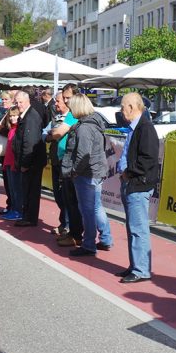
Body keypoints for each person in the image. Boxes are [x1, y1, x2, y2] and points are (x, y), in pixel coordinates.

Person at [61, 93, 112, 257]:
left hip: (87, 174)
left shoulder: (84, 128)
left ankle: (89, 244)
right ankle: (105, 238)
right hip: (96, 171)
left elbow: (83, 154)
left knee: (88, 210)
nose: (70, 110)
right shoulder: (94, 123)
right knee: (96, 207)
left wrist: (75, 172)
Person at [116, 92, 159, 283]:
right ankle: (135, 265)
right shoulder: (136, 127)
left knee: (138, 228)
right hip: (132, 183)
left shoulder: (145, 128)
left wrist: (128, 172)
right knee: (132, 227)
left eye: (123, 107)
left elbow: (148, 159)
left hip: (138, 185)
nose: (121, 110)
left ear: (132, 107)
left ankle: (141, 269)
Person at [51, 83, 84, 246]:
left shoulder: (75, 115)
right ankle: (72, 231)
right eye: (63, 98)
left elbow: (57, 133)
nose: (65, 100)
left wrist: (52, 132)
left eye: (68, 98)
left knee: (74, 202)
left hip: (71, 162)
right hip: (65, 160)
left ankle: (77, 234)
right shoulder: (71, 114)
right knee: (68, 199)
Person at [12, 91, 47, 226]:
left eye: (21, 102)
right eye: (17, 102)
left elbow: (30, 142)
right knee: (27, 189)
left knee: (31, 190)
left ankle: (29, 218)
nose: (18, 105)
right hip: (29, 160)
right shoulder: (26, 115)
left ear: (27, 101)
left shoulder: (31, 117)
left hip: (32, 161)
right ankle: (27, 216)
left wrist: (25, 163)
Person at [43, 91, 69, 236]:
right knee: (58, 195)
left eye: (59, 101)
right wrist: (49, 135)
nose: (56, 103)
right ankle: (63, 223)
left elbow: (57, 134)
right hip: (55, 160)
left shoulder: (71, 118)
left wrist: (52, 134)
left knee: (66, 196)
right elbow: (45, 133)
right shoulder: (55, 118)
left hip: (65, 161)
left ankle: (68, 225)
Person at [1, 106, 23, 221]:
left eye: (15, 115)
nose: (12, 118)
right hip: (9, 162)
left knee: (16, 189)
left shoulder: (19, 129)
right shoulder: (11, 129)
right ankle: (14, 209)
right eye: (11, 116)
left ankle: (18, 211)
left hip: (14, 163)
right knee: (11, 188)